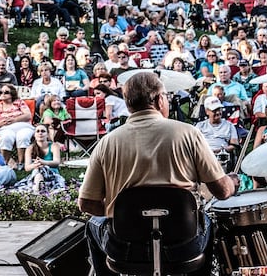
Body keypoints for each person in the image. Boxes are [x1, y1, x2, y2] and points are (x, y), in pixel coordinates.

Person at [79, 72, 239, 276]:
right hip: (183, 246)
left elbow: (87, 204)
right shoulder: (188, 133)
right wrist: (232, 181)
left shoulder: (106, 143)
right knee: (206, 221)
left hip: (126, 249)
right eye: (166, 96)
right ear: (158, 99)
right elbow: (223, 191)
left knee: (94, 225)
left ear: (128, 105)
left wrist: (120, 213)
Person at [0, 83, 34, 166]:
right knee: (6, 138)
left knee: (23, 137)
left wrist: (14, 120)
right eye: (1, 92)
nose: (2, 94)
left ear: (12, 94)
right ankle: (4, 163)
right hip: (5, 128)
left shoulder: (19, 102)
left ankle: (21, 163)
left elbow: (28, 115)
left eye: (6, 92)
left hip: (23, 126)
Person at [13, 124, 65, 194]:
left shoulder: (54, 146)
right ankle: (38, 191)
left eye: (43, 131)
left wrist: (43, 162)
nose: (40, 133)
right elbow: (27, 167)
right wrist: (35, 165)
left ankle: (36, 193)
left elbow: (56, 162)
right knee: (38, 173)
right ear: (34, 135)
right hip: (36, 174)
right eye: (38, 131)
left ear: (47, 135)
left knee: (40, 172)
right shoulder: (30, 148)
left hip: (52, 175)